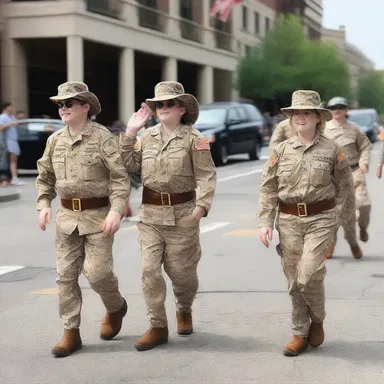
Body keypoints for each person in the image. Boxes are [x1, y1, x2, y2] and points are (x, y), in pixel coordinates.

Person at [120, 81, 216, 351]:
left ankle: (184, 307)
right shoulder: (146, 137)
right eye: (158, 104)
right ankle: (158, 326)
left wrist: (201, 207)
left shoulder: (196, 139)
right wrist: (130, 131)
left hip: (183, 214)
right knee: (149, 270)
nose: (162, 108)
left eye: (168, 103)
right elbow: (128, 165)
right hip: (150, 215)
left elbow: (207, 176)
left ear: (181, 108)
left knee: (182, 274)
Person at [36, 82, 130, 357]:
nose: (63, 108)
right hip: (67, 218)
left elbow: (120, 178)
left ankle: (116, 307)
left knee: (98, 273)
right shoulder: (55, 140)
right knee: (65, 277)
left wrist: (116, 210)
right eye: (60, 105)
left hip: (98, 217)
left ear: (85, 107)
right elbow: (45, 178)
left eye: (69, 104)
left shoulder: (103, 138)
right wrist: (44, 204)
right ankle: (71, 333)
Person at [258, 90, 354, 357]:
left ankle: (318, 318)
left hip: (321, 219)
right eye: (295, 113)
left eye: (306, 112)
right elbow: (268, 188)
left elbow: (345, 188)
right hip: (288, 220)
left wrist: (336, 218)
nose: (300, 117)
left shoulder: (333, 150)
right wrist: (265, 222)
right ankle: (299, 332)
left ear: (317, 118)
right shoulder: (280, 150)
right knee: (293, 281)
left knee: (308, 274)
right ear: (291, 118)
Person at [324, 97, 372, 259]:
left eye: (340, 107)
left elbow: (365, 146)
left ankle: (363, 226)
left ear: (346, 110)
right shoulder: (322, 130)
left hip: (354, 172)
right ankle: (332, 244)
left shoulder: (354, 129)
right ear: (328, 110)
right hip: (332, 176)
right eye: (333, 107)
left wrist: (364, 163)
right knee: (333, 212)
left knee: (364, 204)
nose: (336, 110)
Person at [0, 102, 24, 185]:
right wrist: (9, 124)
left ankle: (13, 178)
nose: (13, 108)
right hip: (8, 140)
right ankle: (13, 178)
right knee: (12, 160)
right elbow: (1, 128)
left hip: (14, 140)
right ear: (6, 108)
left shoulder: (12, 117)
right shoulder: (2, 117)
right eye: (11, 107)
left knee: (14, 160)